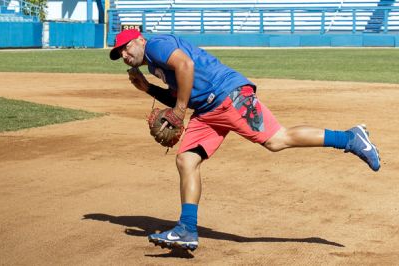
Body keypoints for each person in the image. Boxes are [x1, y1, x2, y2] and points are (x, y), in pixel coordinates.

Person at [109, 29, 380, 251]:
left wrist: (179, 112)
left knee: (277, 139)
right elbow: (185, 92)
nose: (124, 54)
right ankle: (187, 229)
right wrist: (148, 89)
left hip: (229, 96)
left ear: (140, 39)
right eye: (119, 53)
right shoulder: (156, 64)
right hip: (207, 111)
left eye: (125, 47)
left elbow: (186, 65)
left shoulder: (156, 44)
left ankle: (349, 138)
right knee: (186, 159)